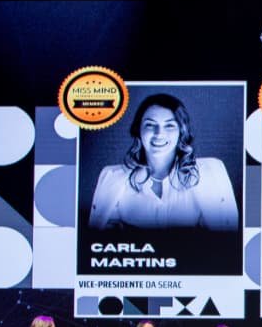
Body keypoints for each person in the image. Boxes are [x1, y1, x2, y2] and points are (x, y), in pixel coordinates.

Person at [89, 93, 240, 230]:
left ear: (182, 131)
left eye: (169, 125)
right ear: (138, 130)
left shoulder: (209, 173)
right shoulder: (112, 177)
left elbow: (225, 238)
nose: (159, 134)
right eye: (150, 125)